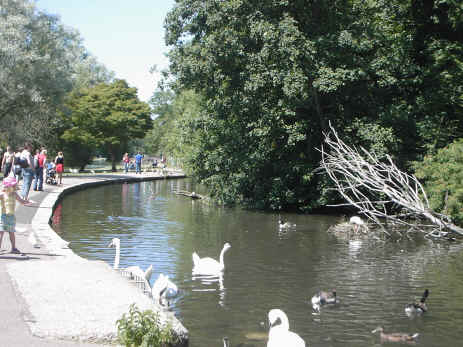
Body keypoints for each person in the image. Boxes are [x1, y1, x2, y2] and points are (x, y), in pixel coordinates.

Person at [0, 174, 32, 254]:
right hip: (3, 216)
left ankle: (13, 248)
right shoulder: (2, 195)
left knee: (11, 233)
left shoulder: (14, 194)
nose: (13, 188)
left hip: (11, 216)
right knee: (1, 232)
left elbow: (21, 201)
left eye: (14, 187)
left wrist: (27, 202)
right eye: (12, 186)